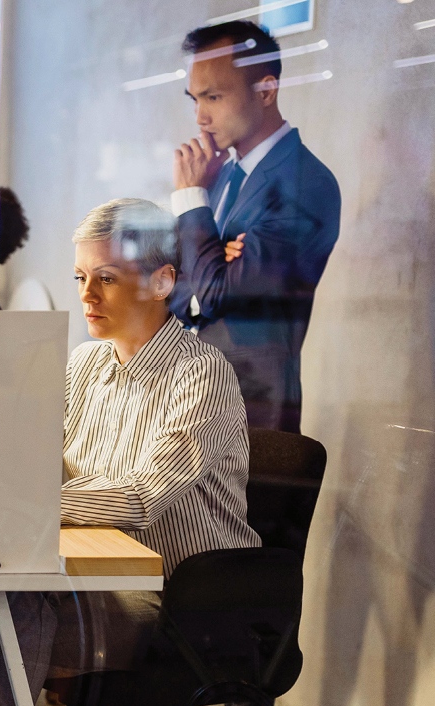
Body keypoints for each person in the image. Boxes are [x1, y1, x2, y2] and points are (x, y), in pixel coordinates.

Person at [0, 199, 261, 706]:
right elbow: (45, 457)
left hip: (179, 602)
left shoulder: (199, 374)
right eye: (80, 279)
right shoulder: (87, 363)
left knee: (2, 607)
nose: (87, 295)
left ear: (162, 281)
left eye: (106, 278)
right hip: (96, 574)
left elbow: (144, 498)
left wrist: (33, 498)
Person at [170, 20, 340, 433]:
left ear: (265, 90)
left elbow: (217, 294)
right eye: (194, 99)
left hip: (253, 416)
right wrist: (211, 264)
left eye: (213, 96)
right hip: (193, 404)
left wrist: (192, 198)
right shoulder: (223, 175)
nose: (200, 117)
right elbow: (171, 287)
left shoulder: (304, 182)